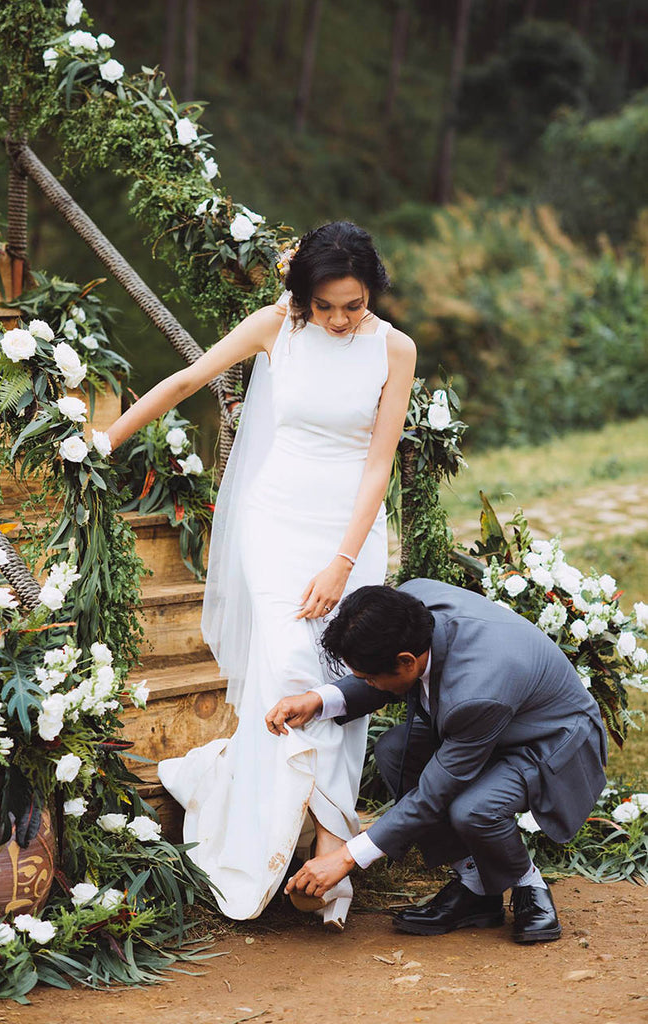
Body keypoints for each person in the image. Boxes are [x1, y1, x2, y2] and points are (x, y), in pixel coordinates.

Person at [106, 221, 416, 926]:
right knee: (289, 668)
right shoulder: (274, 327)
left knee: (343, 679)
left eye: (353, 304)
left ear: (372, 292)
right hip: (275, 522)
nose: (339, 319)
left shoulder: (395, 349)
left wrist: (342, 562)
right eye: (326, 305)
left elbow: (378, 462)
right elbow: (186, 379)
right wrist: (102, 439)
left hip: (351, 532)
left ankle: (332, 850)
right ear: (302, 293)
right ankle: (267, 849)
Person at [266, 579, 607, 943]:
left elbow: (432, 796)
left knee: (474, 808)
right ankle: (477, 887)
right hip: (490, 725)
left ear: (407, 662)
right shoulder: (411, 606)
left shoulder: (476, 692)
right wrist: (319, 701)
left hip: (550, 740)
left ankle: (529, 885)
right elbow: (381, 676)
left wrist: (346, 858)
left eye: (369, 678)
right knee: (395, 751)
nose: (366, 683)